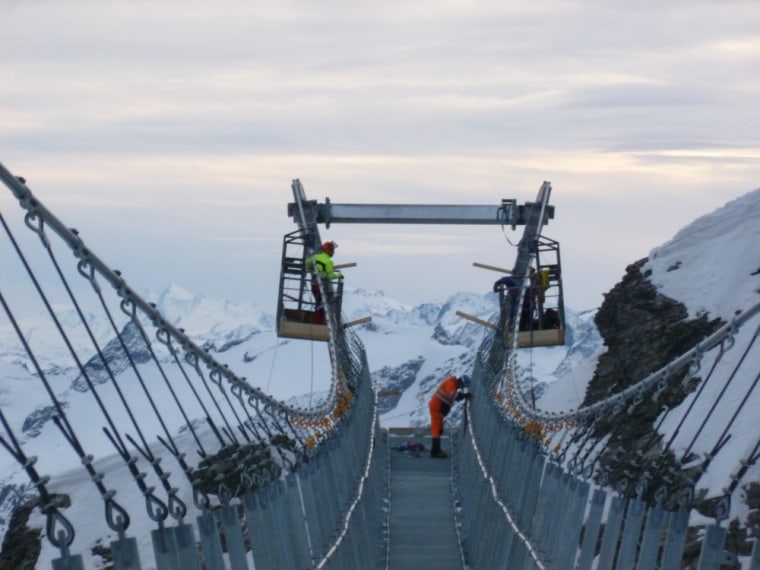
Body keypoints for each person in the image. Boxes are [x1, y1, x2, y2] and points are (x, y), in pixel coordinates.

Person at [428, 374, 472, 458]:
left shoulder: (453, 384)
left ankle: (437, 450)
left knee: (439, 430)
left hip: (439, 409)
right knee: (436, 430)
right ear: (461, 382)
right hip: (436, 408)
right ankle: (435, 452)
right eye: (462, 386)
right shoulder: (451, 384)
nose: (461, 387)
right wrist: (464, 396)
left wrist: (463, 395)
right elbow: (454, 396)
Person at [306, 241, 342, 310]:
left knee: (318, 302)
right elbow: (330, 276)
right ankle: (328, 301)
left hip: (314, 284)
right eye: (333, 250)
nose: (334, 252)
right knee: (323, 302)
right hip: (322, 286)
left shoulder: (315, 257)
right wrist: (339, 275)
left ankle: (319, 307)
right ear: (329, 251)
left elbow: (307, 262)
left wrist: (311, 268)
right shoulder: (329, 262)